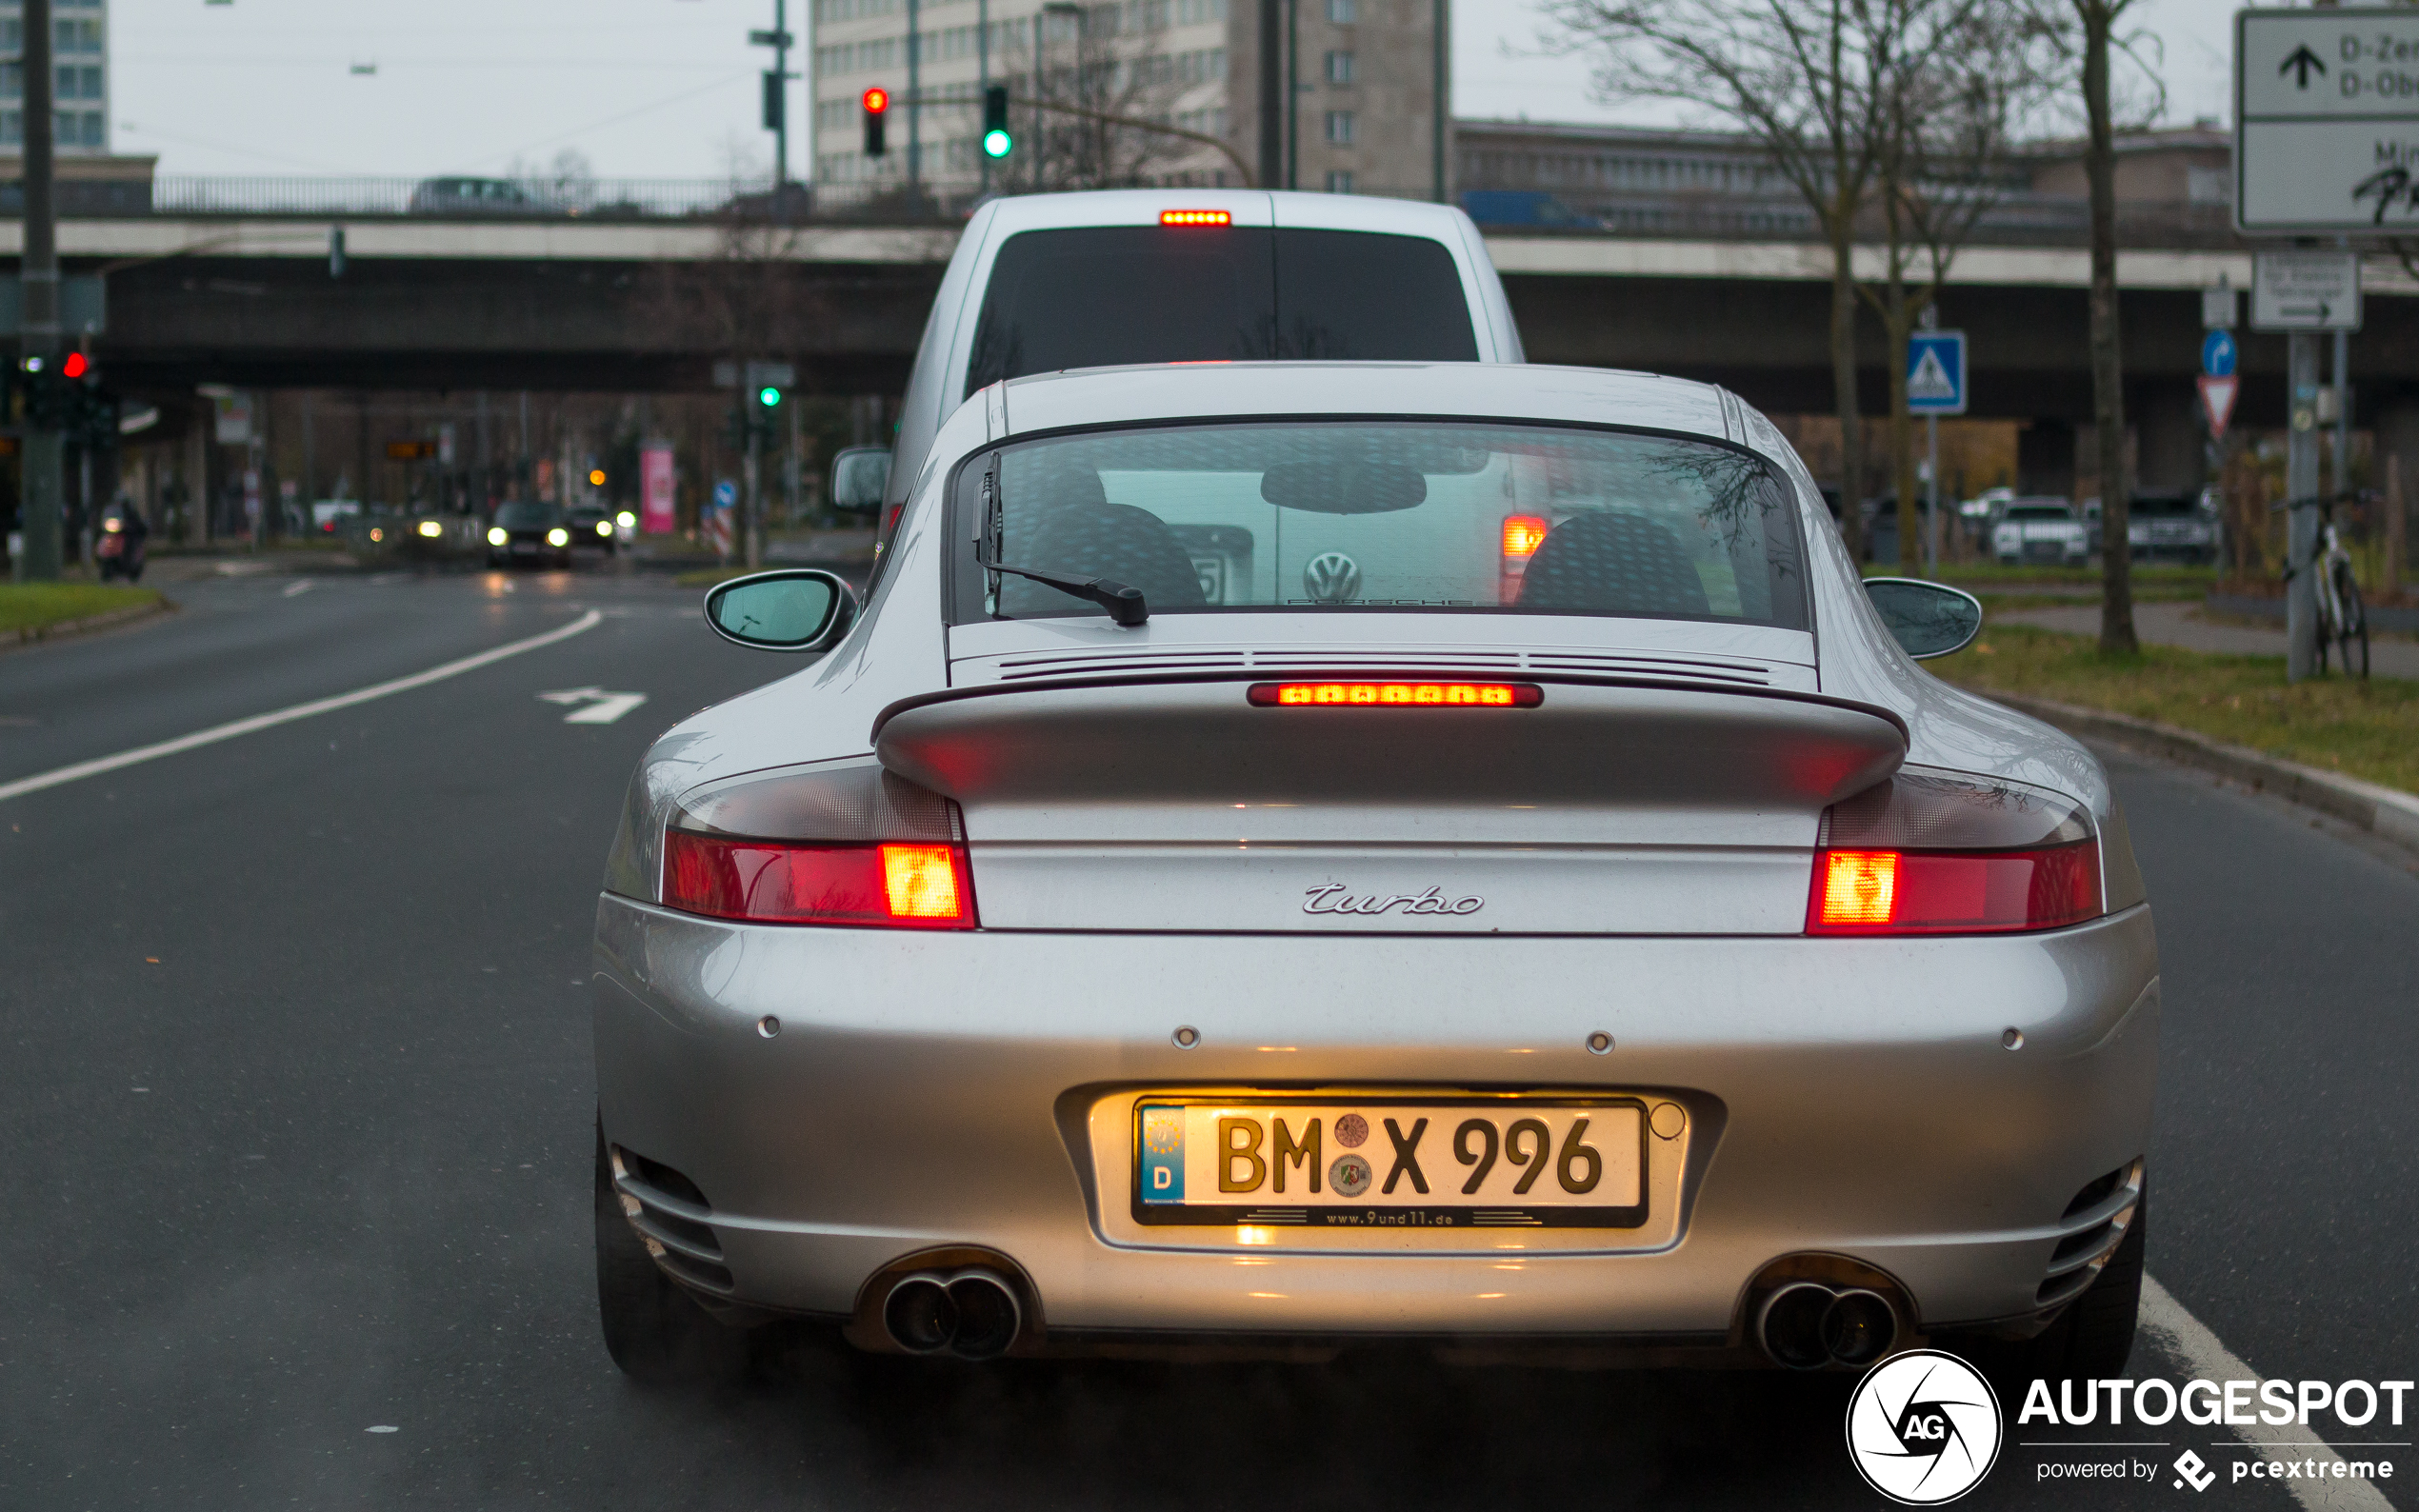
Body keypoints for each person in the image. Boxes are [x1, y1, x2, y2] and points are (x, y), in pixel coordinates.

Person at [96, 495, 150, 582]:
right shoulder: (114, 511)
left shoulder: (131, 512)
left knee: (130, 543)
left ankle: (131, 564)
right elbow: (105, 520)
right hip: (116, 533)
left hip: (128, 534)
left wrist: (130, 526)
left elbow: (139, 525)